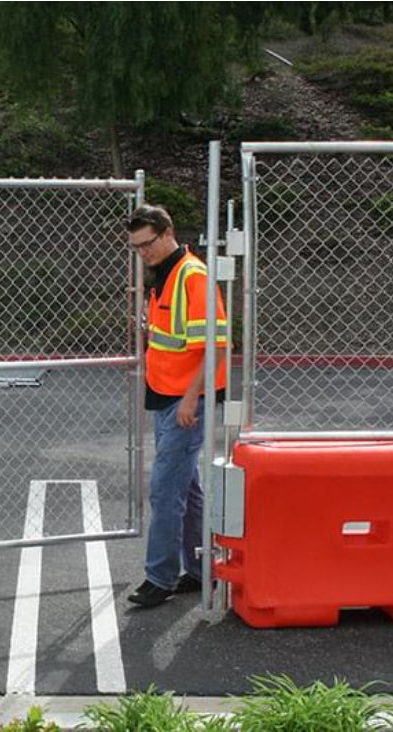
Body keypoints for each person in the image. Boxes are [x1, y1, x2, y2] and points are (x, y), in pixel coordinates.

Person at [126, 205, 227, 608]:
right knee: (187, 488)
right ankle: (203, 570)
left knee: (166, 491)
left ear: (168, 233)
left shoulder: (193, 277)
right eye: (136, 247)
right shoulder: (165, 275)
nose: (142, 253)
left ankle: (160, 578)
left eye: (147, 244)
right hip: (168, 398)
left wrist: (189, 399)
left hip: (187, 402)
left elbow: (216, 347)